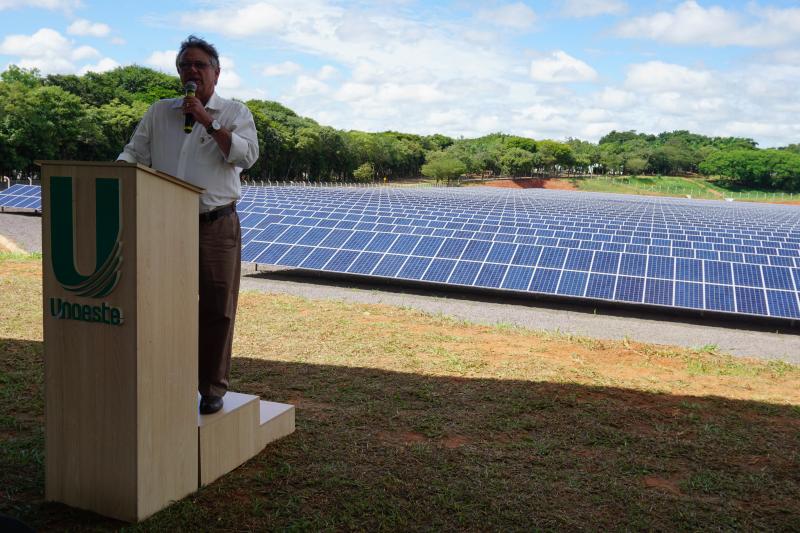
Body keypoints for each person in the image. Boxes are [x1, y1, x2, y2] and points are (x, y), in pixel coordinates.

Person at [117, 35, 259, 414]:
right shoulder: (159, 112)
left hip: (216, 225)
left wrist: (207, 122)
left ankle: (212, 387)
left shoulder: (234, 112)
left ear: (216, 71)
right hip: (165, 225)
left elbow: (246, 157)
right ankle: (167, 379)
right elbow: (134, 153)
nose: (191, 71)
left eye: (199, 65)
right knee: (161, 306)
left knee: (217, 308)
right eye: (185, 65)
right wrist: (112, 176)